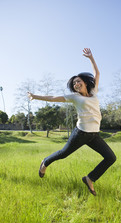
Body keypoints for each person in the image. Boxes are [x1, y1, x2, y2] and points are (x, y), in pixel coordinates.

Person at [28, 48, 116, 196]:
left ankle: (89, 178)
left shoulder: (93, 92)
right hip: (81, 133)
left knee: (110, 158)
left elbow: (97, 73)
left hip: (94, 135)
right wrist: (35, 96)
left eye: (78, 81)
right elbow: (53, 98)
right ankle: (45, 162)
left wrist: (91, 58)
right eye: (74, 83)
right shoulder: (74, 97)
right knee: (64, 153)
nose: (76, 84)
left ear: (85, 83)